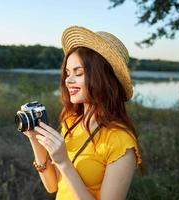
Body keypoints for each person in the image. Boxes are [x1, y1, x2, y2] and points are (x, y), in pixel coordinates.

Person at [22, 25, 143, 200]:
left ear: (102, 78)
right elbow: (52, 185)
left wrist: (64, 162)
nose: (68, 80)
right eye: (68, 73)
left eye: (78, 73)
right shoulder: (71, 122)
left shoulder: (120, 143)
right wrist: (35, 139)